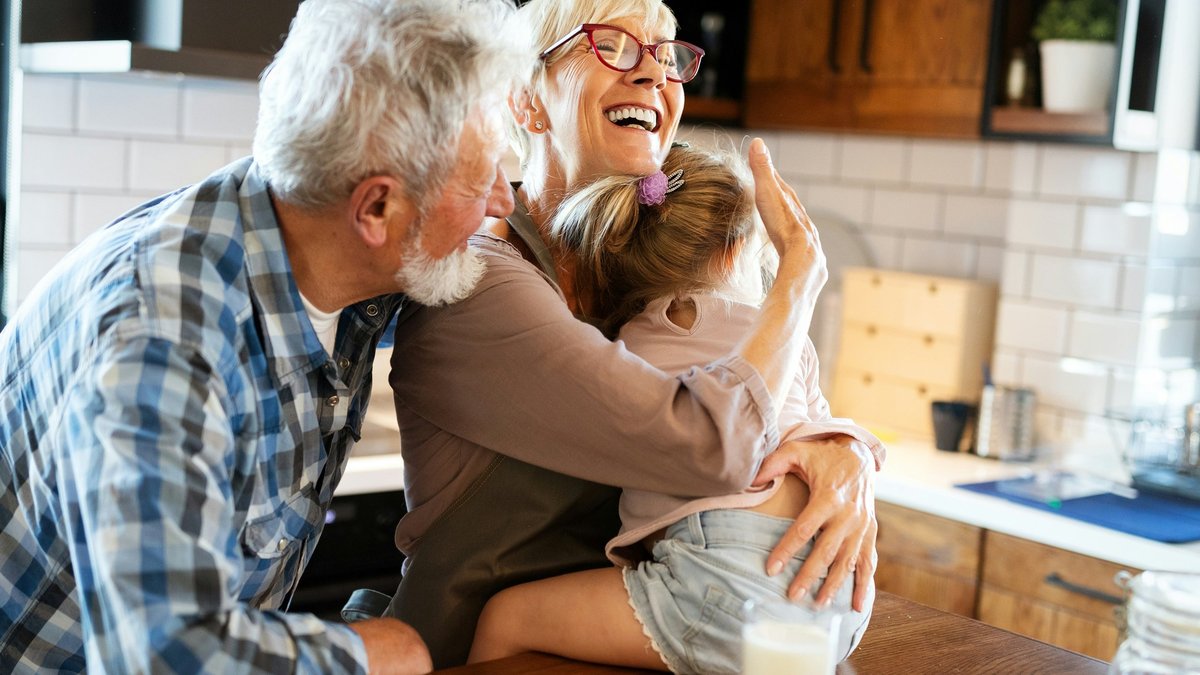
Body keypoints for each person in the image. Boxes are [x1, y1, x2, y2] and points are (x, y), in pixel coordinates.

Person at [0, 0, 531, 672]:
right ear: (376, 207)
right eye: (481, 178)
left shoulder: (336, 257)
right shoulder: (163, 336)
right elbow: (165, 654)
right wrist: (370, 654)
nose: (501, 201)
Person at [379, 0, 885, 667]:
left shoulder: (659, 278)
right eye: (612, 44)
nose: (653, 73)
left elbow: (781, 397)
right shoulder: (480, 279)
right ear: (526, 100)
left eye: (667, 53)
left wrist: (843, 454)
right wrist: (799, 277)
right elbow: (711, 442)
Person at [467, 144, 882, 672]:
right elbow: (823, 426)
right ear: (735, 255)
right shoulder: (787, 337)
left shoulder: (621, 347)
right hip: (840, 601)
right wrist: (857, 449)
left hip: (724, 582)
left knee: (507, 619)